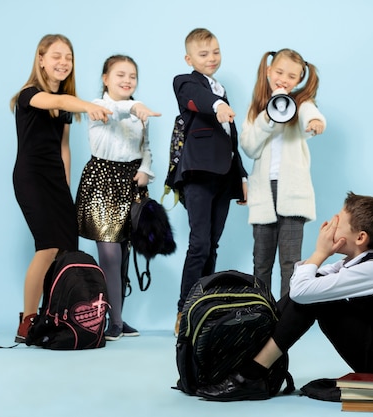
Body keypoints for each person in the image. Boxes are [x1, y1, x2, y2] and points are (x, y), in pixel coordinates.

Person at [196, 192, 373, 401]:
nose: (329, 227)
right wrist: (318, 257)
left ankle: (251, 375)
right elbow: (304, 281)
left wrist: (320, 252)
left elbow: (302, 291)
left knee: (314, 298)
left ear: (360, 238)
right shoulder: (357, 262)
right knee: (312, 289)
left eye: (338, 223)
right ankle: (246, 365)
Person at [10, 34, 112, 343]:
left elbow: (64, 147)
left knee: (65, 249)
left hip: (56, 182)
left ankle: (53, 315)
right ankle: (26, 321)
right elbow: (58, 100)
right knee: (47, 247)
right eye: (56, 56)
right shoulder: (30, 94)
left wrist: (65, 186)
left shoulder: (65, 105)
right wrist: (87, 105)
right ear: (41, 59)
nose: (63, 62)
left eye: (68, 57)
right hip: (31, 177)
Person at [75, 55, 162, 341]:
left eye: (132, 76)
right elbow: (116, 110)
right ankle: (108, 321)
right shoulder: (99, 106)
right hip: (103, 180)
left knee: (124, 252)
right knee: (109, 254)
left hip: (132, 181)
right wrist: (136, 106)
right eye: (120, 75)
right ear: (105, 78)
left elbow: (145, 147)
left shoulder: (140, 116)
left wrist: (146, 170)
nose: (127, 80)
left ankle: (118, 319)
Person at [172, 28, 248, 335]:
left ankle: (202, 307)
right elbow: (199, 99)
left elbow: (231, 138)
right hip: (198, 174)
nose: (212, 58)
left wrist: (241, 175)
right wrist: (218, 106)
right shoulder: (186, 83)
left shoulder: (221, 88)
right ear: (190, 58)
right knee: (199, 243)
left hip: (225, 175)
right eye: (204, 54)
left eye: (215, 51)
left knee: (212, 245)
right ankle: (183, 310)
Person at [241, 49, 326, 298]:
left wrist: (316, 122)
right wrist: (267, 116)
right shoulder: (256, 109)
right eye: (279, 72)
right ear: (268, 71)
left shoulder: (301, 105)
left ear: (298, 80)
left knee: (290, 263)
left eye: (291, 76)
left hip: (292, 193)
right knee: (262, 262)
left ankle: (286, 318)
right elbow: (249, 147)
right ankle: (261, 313)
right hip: (263, 193)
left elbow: (310, 115)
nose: (283, 79)